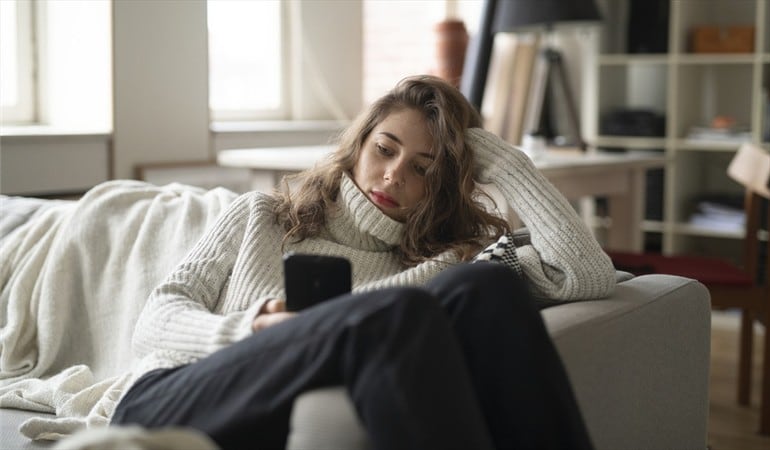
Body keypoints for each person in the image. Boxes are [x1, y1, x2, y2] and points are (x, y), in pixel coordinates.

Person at [111, 75, 616, 449]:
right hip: (174, 396)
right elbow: (154, 322)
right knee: (398, 312)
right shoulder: (261, 216)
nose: (394, 176)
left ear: (442, 185)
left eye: (423, 168)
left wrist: (505, 162)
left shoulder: (447, 260)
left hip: (282, 409)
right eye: (385, 149)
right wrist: (254, 329)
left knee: (485, 284)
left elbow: (585, 275)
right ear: (358, 145)